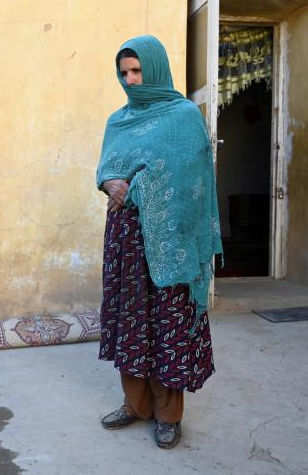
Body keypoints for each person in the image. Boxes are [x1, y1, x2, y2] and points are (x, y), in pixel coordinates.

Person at [95, 35, 223, 449]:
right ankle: (135, 404)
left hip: (170, 240)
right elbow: (107, 168)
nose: (131, 80)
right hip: (127, 237)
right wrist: (108, 182)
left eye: (137, 71)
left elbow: (192, 174)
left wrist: (136, 185)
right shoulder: (119, 119)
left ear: (155, 69)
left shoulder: (183, 116)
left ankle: (168, 415)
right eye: (125, 72)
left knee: (166, 319)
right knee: (130, 316)